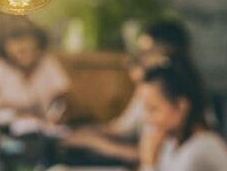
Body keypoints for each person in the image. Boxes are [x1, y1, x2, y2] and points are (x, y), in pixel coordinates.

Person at [63, 19, 193, 163]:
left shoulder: (176, 96)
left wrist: (98, 143)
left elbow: (152, 155)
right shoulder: (149, 88)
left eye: (146, 53)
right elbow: (123, 129)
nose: (140, 58)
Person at [0, 14, 70, 123]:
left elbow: (63, 100)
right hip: (5, 129)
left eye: (29, 49)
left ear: (37, 44)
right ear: (6, 48)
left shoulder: (49, 65)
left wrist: (55, 117)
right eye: (20, 51)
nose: (24, 56)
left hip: (42, 128)